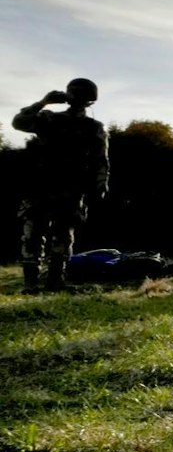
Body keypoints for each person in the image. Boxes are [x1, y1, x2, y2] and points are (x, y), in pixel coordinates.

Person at [11, 79, 109, 294]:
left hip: (71, 188)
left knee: (63, 236)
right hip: (41, 185)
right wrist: (43, 102)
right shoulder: (49, 119)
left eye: (80, 94)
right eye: (73, 93)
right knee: (33, 234)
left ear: (89, 100)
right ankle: (30, 283)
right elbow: (19, 122)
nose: (76, 98)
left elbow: (100, 159)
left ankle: (55, 280)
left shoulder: (93, 128)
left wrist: (101, 184)